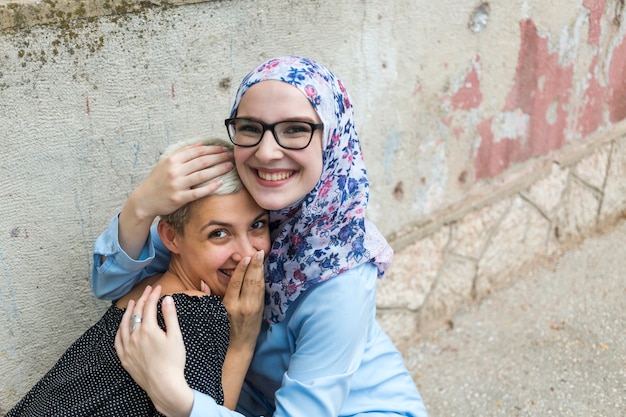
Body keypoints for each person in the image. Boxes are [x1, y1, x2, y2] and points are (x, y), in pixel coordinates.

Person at [95, 56, 429, 417]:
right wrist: (140, 207)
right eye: (251, 128)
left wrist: (179, 400)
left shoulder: (340, 281)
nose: (267, 153)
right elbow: (111, 285)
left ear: (331, 138)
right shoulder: (245, 204)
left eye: (296, 129)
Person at [8, 138, 268, 416]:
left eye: (257, 224)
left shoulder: (146, 286)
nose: (245, 253)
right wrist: (242, 343)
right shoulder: (196, 315)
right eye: (218, 233)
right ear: (170, 237)